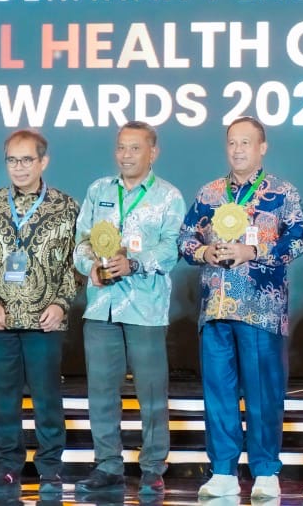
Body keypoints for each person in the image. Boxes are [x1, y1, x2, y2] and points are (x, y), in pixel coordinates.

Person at [179, 116, 303, 500]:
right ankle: (223, 471)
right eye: (232, 142)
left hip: (260, 310)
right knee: (218, 393)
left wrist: (253, 250)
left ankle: (265, 471)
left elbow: (298, 239)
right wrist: (204, 251)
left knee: (263, 394)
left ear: (262, 147)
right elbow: (185, 238)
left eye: (246, 143)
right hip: (215, 308)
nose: (238, 150)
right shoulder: (210, 193)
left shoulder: (282, 193)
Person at [73, 121, 186, 494]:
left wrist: (134, 262)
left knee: (151, 394)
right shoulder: (98, 191)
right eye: (121, 147)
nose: (126, 155)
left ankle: (152, 467)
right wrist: (89, 265)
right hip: (101, 308)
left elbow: (171, 248)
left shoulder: (168, 196)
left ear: (153, 153)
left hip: (145, 309)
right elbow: (81, 242)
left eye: (135, 148)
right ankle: (107, 465)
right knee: (101, 393)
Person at [0, 130, 78, 494]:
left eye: (27, 159)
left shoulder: (66, 207)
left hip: (45, 323)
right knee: (4, 401)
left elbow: (77, 264)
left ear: (44, 162)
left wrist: (61, 303)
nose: (19, 167)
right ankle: (6, 469)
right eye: (12, 160)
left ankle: (50, 470)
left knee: (47, 399)